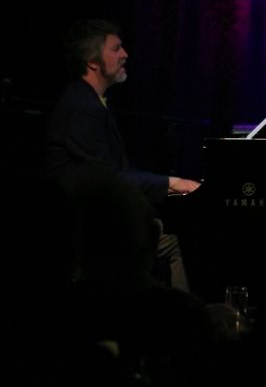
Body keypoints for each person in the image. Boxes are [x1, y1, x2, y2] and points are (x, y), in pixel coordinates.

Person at [45, 19, 201, 292]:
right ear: (93, 62)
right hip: (83, 225)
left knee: (165, 231)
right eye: (116, 48)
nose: (125, 54)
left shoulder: (93, 101)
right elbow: (109, 178)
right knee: (177, 240)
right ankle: (183, 323)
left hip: (95, 215)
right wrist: (170, 183)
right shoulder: (83, 107)